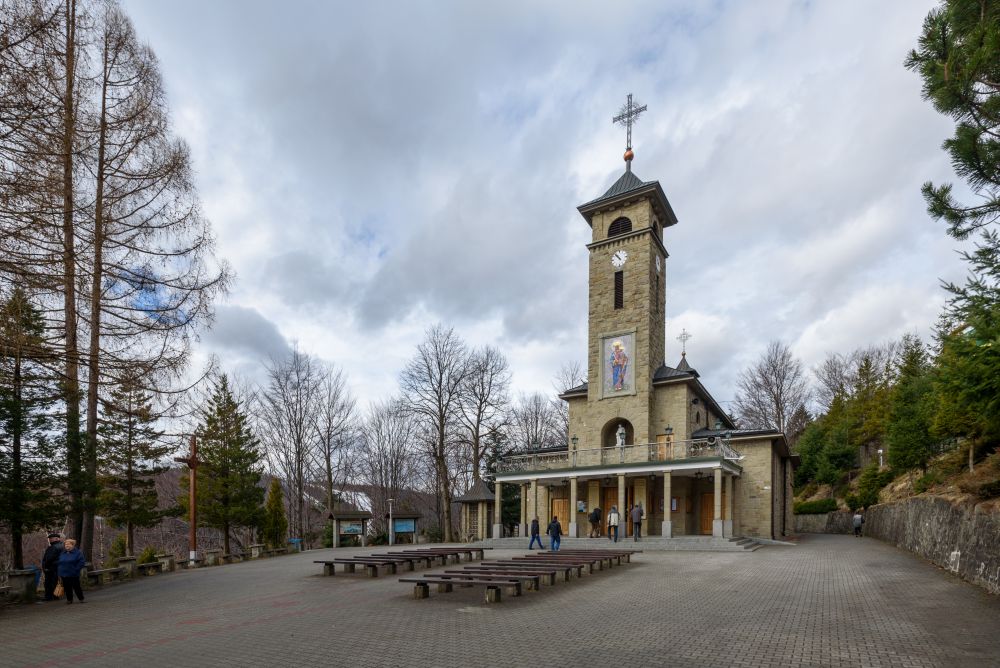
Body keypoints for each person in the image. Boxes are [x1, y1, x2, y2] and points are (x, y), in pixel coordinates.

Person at [57, 539, 86, 604]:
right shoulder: (62, 553)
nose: (66, 546)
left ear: (72, 545)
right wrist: (59, 572)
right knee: (67, 587)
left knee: (76, 587)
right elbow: (60, 562)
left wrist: (76, 569)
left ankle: (81, 598)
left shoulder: (78, 553)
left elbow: (81, 562)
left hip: (73, 573)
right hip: (64, 573)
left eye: (68, 544)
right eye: (65, 544)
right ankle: (69, 599)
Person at [41, 532, 64, 601]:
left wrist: (46, 567)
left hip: (51, 568)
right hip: (58, 567)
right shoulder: (62, 546)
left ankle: (49, 597)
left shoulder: (53, 547)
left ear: (57, 538)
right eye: (49, 538)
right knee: (55, 582)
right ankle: (55, 595)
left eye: (51, 538)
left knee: (49, 582)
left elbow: (49, 558)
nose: (50, 540)